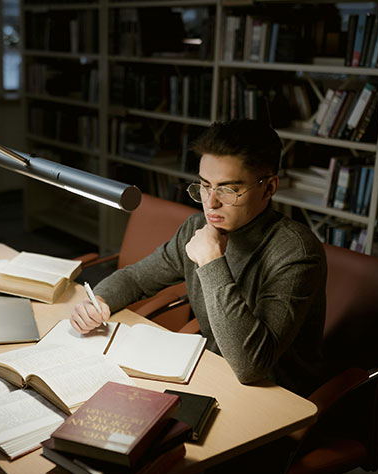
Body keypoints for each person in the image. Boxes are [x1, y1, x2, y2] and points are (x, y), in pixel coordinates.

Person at [70, 119, 326, 397]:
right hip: (213, 372)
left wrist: (212, 262)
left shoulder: (296, 253)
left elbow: (251, 366)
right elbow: (136, 278)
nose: (211, 202)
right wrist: (99, 302)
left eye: (228, 190)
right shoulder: (196, 228)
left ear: (268, 188)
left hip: (275, 395)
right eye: (205, 185)